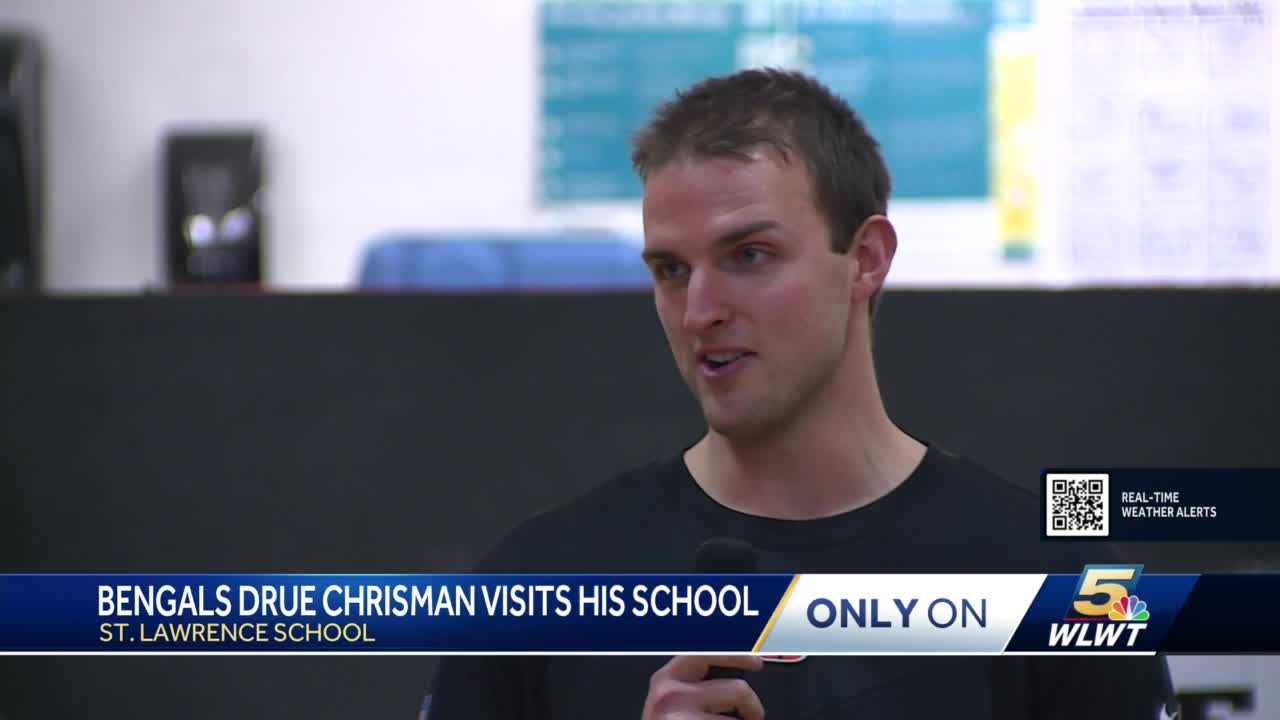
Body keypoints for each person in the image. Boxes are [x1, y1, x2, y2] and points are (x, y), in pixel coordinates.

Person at [428, 69, 1176, 719]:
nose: (699, 312)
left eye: (749, 255)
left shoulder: (1062, 586)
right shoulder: (541, 581)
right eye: (671, 270)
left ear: (866, 260)